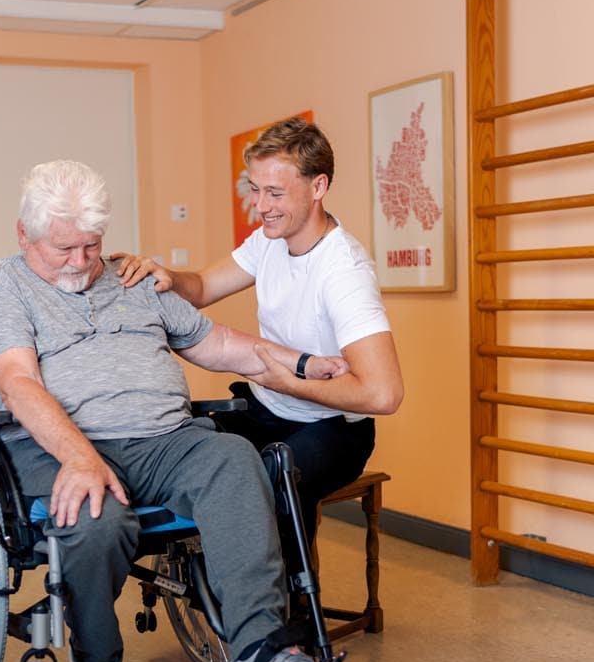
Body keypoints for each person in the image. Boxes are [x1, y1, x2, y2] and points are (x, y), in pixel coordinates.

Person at [0, 159, 348, 662]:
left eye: (91, 247)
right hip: (59, 446)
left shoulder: (131, 278)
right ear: (24, 235)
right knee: (95, 521)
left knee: (236, 460)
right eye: (64, 249)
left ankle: (261, 655)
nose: (80, 263)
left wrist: (301, 363)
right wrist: (81, 458)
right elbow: (19, 383)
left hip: (165, 438)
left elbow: (216, 344)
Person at [112, 117, 403, 546]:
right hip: (266, 410)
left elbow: (383, 394)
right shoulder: (269, 239)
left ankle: (287, 607)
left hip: (330, 428)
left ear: (318, 187)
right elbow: (206, 286)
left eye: (275, 193)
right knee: (181, 450)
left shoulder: (344, 273)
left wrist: (293, 384)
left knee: (269, 483)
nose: (261, 205)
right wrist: (165, 274)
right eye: (255, 189)